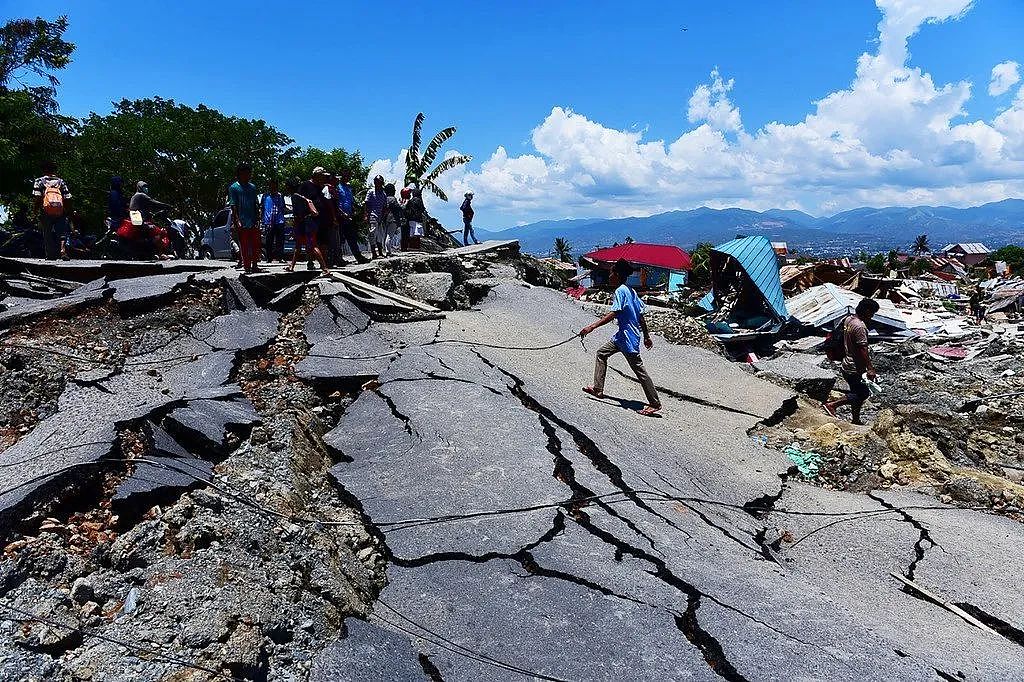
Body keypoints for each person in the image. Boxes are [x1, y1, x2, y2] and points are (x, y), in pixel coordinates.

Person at [580, 259, 662, 417]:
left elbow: (614, 313)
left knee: (640, 371)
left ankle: (654, 403)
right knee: (602, 353)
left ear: (617, 274)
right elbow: (641, 316)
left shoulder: (620, 291)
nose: (609, 275)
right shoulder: (631, 291)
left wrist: (592, 327)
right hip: (621, 337)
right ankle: (598, 389)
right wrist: (646, 336)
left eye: (611, 272)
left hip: (627, 338)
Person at [823, 298, 880, 426]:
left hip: (846, 363)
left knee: (856, 391)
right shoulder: (859, 327)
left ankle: (855, 419)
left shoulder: (849, 319)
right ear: (866, 311)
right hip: (854, 366)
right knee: (862, 393)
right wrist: (870, 368)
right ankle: (832, 405)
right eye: (872, 313)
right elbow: (863, 349)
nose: (872, 316)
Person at [287, 177, 329, 274]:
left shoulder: (294, 197)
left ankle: (325, 268)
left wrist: (295, 226)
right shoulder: (303, 195)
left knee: (311, 246)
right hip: (311, 221)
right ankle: (291, 266)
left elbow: (298, 214)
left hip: (304, 223)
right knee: (299, 246)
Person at [31, 160, 72, 260]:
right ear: (54, 170)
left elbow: (38, 197)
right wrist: (67, 211)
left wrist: (35, 211)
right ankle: (62, 250)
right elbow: (67, 197)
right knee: (62, 232)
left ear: (43, 170)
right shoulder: (61, 181)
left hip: (46, 210)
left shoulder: (39, 181)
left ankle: (50, 255)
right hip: (60, 210)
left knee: (47, 232)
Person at [228, 163, 261, 273]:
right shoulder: (234, 188)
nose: (248, 175)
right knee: (245, 245)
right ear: (240, 174)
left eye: (249, 173)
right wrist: (236, 220)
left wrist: (258, 218)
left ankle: (255, 265)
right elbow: (233, 205)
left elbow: (256, 203)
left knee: (256, 244)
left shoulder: (252, 187)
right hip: (242, 219)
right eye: (246, 173)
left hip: (253, 219)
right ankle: (247, 267)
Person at [335, 168, 369, 264]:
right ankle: (339, 258)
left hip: (349, 216)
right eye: (345, 176)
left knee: (352, 237)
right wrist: (341, 213)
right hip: (340, 216)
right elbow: (336, 202)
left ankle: (358, 257)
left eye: (348, 176)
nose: (346, 178)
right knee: (340, 239)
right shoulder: (337, 187)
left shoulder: (349, 188)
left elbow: (351, 201)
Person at [262, 178, 287, 262]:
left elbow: (283, 207)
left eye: (274, 185)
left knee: (280, 240)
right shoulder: (265, 196)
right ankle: (269, 258)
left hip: (279, 221)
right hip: (268, 221)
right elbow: (262, 208)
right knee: (269, 240)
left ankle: (280, 257)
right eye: (271, 185)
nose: (273, 187)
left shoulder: (280, 196)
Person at [364, 175, 388, 259]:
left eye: (379, 182)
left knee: (380, 235)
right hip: (372, 215)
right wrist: (366, 215)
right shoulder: (371, 192)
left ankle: (380, 252)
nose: (377, 184)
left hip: (380, 216)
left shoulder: (383, 194)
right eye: (376, 182)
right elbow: (366, 203)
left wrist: (383, 215)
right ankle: (373, 252)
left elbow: (385, 206)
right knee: (372, 233)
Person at [383, 182, 403, 256]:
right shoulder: (393, 199)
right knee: (390, 236)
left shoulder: (384, 198)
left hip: (385, 219)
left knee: (385, 235)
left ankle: (385, 250)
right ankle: (388, 251)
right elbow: (398, 208)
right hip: (393, 219)